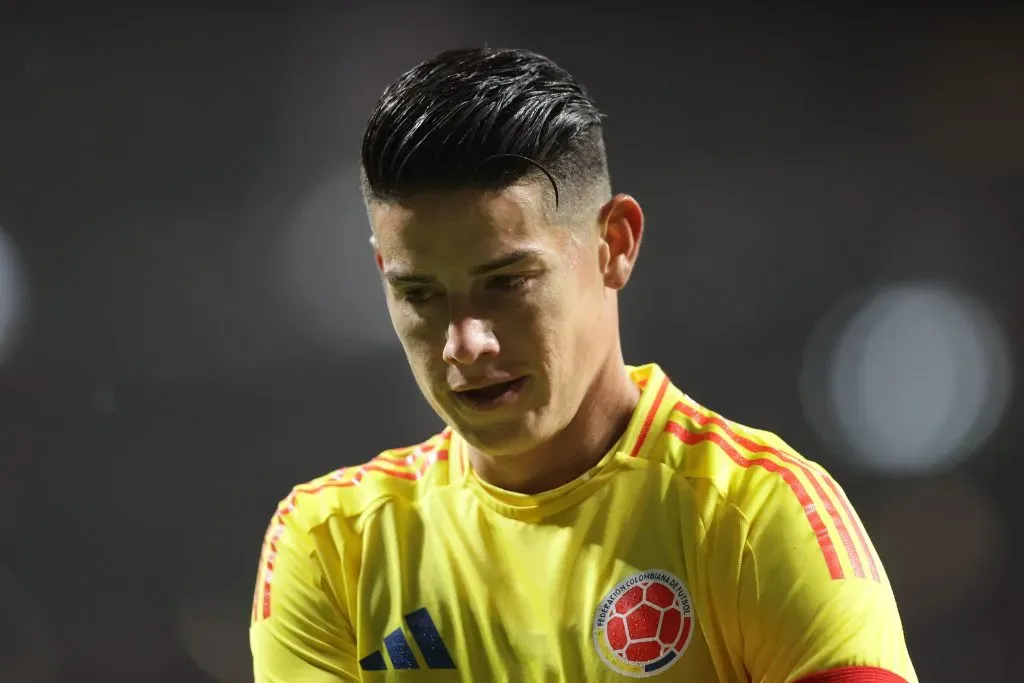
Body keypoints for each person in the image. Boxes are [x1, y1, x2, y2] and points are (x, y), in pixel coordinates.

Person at [249, 47, 917, 682]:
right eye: (419, 294)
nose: (465, 343)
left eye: (507, 283)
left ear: (614, 245)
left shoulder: (758, 520)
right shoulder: (333, 547)